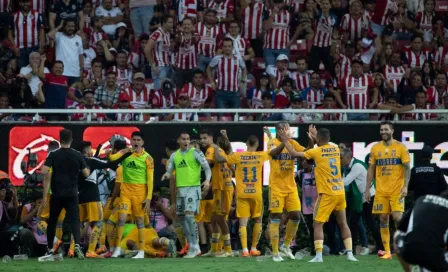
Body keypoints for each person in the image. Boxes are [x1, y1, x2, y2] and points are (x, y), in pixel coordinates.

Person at [277, 127, 358, 263]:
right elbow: (326, 149)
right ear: (329, 138)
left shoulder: (317, 151)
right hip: (339, 191)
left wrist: (285, 140)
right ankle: (350, 254)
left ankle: (319, 256)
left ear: (319, 139)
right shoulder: (335, 149)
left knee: (317, 224)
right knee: (343, 223)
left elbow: (294, 154)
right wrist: (315, 139)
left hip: (327, 193)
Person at [39, 129, 90, 261]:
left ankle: (50, 248)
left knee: (52, 222)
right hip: (72, 194)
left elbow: (44, 171)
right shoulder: (77, 155)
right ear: (71, 140)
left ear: (60, 139)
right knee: (74, 221)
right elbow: (86, 174)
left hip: (57, 194)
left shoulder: (53, 154)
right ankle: (77, 245)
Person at [265, 122, 312, 262]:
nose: (287, 131)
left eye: (288, 129)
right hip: (276, 187)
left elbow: (306, 154)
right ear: (279, 131)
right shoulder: (272, 142)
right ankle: (275, 252)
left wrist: (311, 140)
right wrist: (285, 142)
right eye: (285, 129)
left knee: (296, 215)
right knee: (276, 217)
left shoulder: (293, 142)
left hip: (290, 187)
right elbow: (274, 153)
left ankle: (286, 246)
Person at [75, 141, 131, 258]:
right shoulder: (91, 161)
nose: (92, 151)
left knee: (79, 224)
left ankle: (72, 249)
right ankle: (91, 250)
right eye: (90, 149)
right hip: (92, 197)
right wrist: (128, 154)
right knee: (99, 223)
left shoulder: (75, 162)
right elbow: (112, 163)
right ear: (86, 151)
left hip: (79, 197)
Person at [365, 121, 411, 260]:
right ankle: (387, 251)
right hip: (381, 191)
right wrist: (367, 189)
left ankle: (402, 248)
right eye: (381, 130)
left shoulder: (401, 147)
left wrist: (405, 186)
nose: (383, 132)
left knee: (398, 218)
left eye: (386, 129)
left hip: (397, 190)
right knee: (383, 218)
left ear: (392, 130)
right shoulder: (375, 148)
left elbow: (407, 167)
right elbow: (371, 169)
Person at [161, 132, 211, 258]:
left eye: (188, 139)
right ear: (179, 140)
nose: (186, 141)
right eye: (183, 139)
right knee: (182, 218)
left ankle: (196, 246)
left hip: (193, 188)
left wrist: (207, 180)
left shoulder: (195, 152)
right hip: (181, 190)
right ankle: (192, 245)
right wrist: (166, 174)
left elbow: (207, 168)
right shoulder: (174, 155)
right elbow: (170, 169)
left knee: (189, 216)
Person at [111, 131, 154, 259]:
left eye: (138, 140)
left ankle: (141, 251)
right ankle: (117, 249)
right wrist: (110, 154)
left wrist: (148, 198)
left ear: (142, 142)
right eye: (134, 139)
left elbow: (150, 180)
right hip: (126, 192)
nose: (136, 142)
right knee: (121, 219)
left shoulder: (148, 158)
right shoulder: (125, 153)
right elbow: (113, 158)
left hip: (140, 193)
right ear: (130, 141)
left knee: (140, 221)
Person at [226, 134, 269, 257]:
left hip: (242, 193)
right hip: (256, 193)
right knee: (258, 220)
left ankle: (244, 250)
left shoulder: (239, 156)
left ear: (246, 144)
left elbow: (228, 158)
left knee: (243, 223)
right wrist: (270, 136)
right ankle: (254, 248)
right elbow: (272, 151)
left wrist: (226, 139)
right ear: (256, 145)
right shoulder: (261, 155)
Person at [340, 148, 383, 255]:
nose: (340, 160)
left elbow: (345, 182)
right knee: (354, 222)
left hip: (369, 197)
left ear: (349, 157)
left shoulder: (356, 166)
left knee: (370, 222)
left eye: (341, 158)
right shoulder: (349, 167)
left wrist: (331, 180)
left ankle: (381, 247)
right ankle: (351, 249)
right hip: (361, 198)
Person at [394, 191, 448, 272]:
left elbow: (400, 229)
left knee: (397, 235)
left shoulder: (422, 199)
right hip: (434, 258)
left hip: (409, 252)